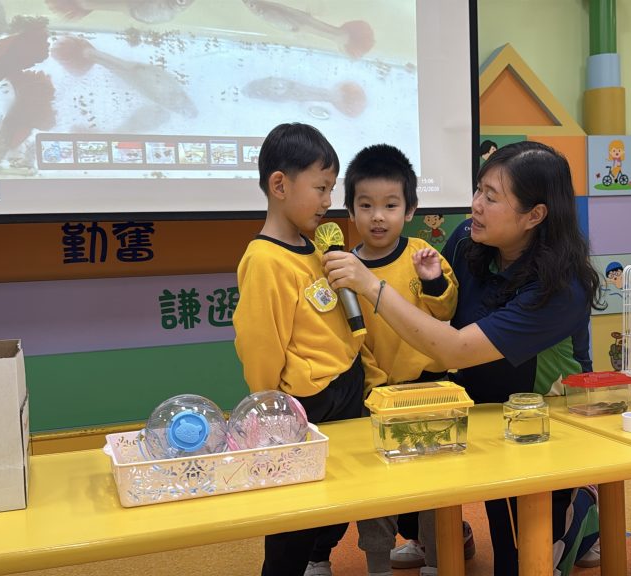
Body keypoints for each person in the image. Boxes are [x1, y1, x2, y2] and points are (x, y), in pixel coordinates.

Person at [323, 140, 603, 576]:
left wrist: (371, 285)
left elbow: (454, 348)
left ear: (534, 215)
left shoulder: (560, 288)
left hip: (540, 430)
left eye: (491, 197)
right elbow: (438, 313)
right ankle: (450, 533)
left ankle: (582, 507)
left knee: (523, 566)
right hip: (480, 414)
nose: (475, 205)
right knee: (405, 480)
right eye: (478, 190)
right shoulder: (468, 240)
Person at [305, 144, 460, 576]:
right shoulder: (342, 266)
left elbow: (447, 313)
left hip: (429, 393)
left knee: (435, 486)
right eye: (366, 205)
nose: (378, 216)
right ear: (350, 211)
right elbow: (341, 334)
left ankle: (436, 557)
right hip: (375, 396)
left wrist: (433, 282)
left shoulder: (423, 256)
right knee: (375, 488)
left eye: (390, 205)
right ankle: (377, 565)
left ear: (409, 210)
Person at [232, 123, 367, 576]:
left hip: (346, 384)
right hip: (305, 402)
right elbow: (260, 344)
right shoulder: (264, 260)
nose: (329, 201)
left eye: (331, 188)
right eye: (321, 188)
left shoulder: (313, 247)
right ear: (279, 185)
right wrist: (270, 407)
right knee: (294, 512)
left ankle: (318, 556)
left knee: (342, 493)